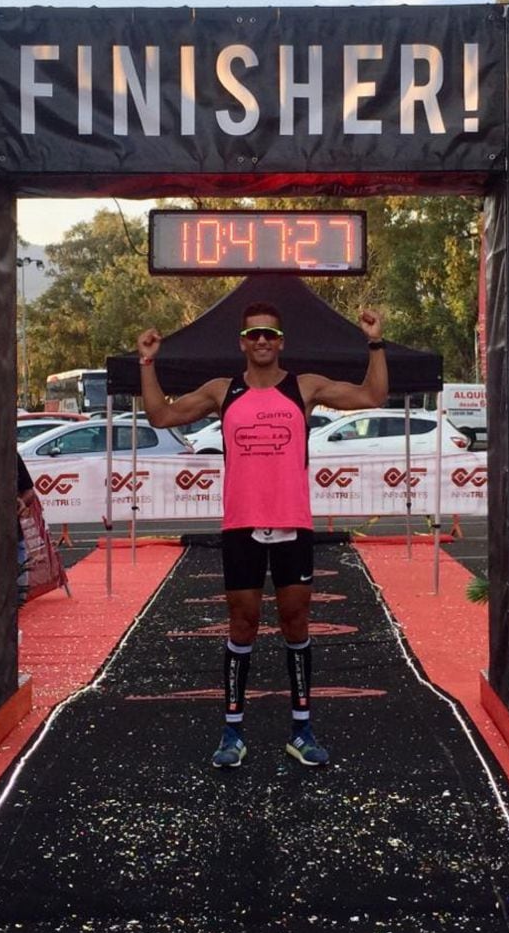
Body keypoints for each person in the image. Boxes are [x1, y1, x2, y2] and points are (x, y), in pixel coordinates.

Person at [138, 302, 388, 768]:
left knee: (296, 622)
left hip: (292, 521)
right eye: (253, 335)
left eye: (269, 334)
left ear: (281, 341)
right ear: (242, 342)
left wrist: (374, 341)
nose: (261, 341)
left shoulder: (304, 387)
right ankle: (232, 733)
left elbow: (373, 396)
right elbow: (160, 416)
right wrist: (148, 362)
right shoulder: (222, 390)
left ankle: (302, 728)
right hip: (241, 524)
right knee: (243, 624)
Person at [16, 455, 37, 607]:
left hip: (12, 531)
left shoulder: (11, 456)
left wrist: (22, 503)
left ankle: (19, 599)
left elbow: (29, 491)